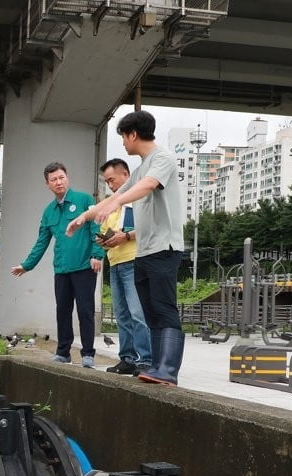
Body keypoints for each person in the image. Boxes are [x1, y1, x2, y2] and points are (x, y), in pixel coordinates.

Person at [67, 110, 185, 386]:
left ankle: (167, 369)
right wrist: (82, 218)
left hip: (164, 247)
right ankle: (155, 365)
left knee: (164, 307)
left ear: (133, 134)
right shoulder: (143, 165)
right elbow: (114, 197)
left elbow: (147, 186)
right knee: (150, 309)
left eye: (123, 137)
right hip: (144, 250)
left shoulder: (163, 159)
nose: (122, 143)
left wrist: (116, 203)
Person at [11, 161, 104, 368]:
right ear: (48, 184)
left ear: (67, 178)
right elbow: (41, 242)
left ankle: (88, 354)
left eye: (61, 177)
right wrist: (26, 265)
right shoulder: (48, 212)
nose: (58, 182)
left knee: (85, 310)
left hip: (84, 267)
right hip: (61, 269)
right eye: (53, 179)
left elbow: (96, 226)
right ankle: (63, 352)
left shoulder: (83, 200)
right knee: (62, 310)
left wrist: (97, 254)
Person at [97, 158, 152, 375]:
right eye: (107, 182)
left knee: (138, 313)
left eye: (112, 180)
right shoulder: (112, 205)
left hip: (135, 260)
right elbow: (105, 229)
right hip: (115, 262)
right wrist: (102, 240)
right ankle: (127, 358)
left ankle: (146, 360)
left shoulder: (140, 199)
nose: (110, 185)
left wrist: (125, 236)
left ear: (125, 175)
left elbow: (150, 226)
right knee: (122, 315)